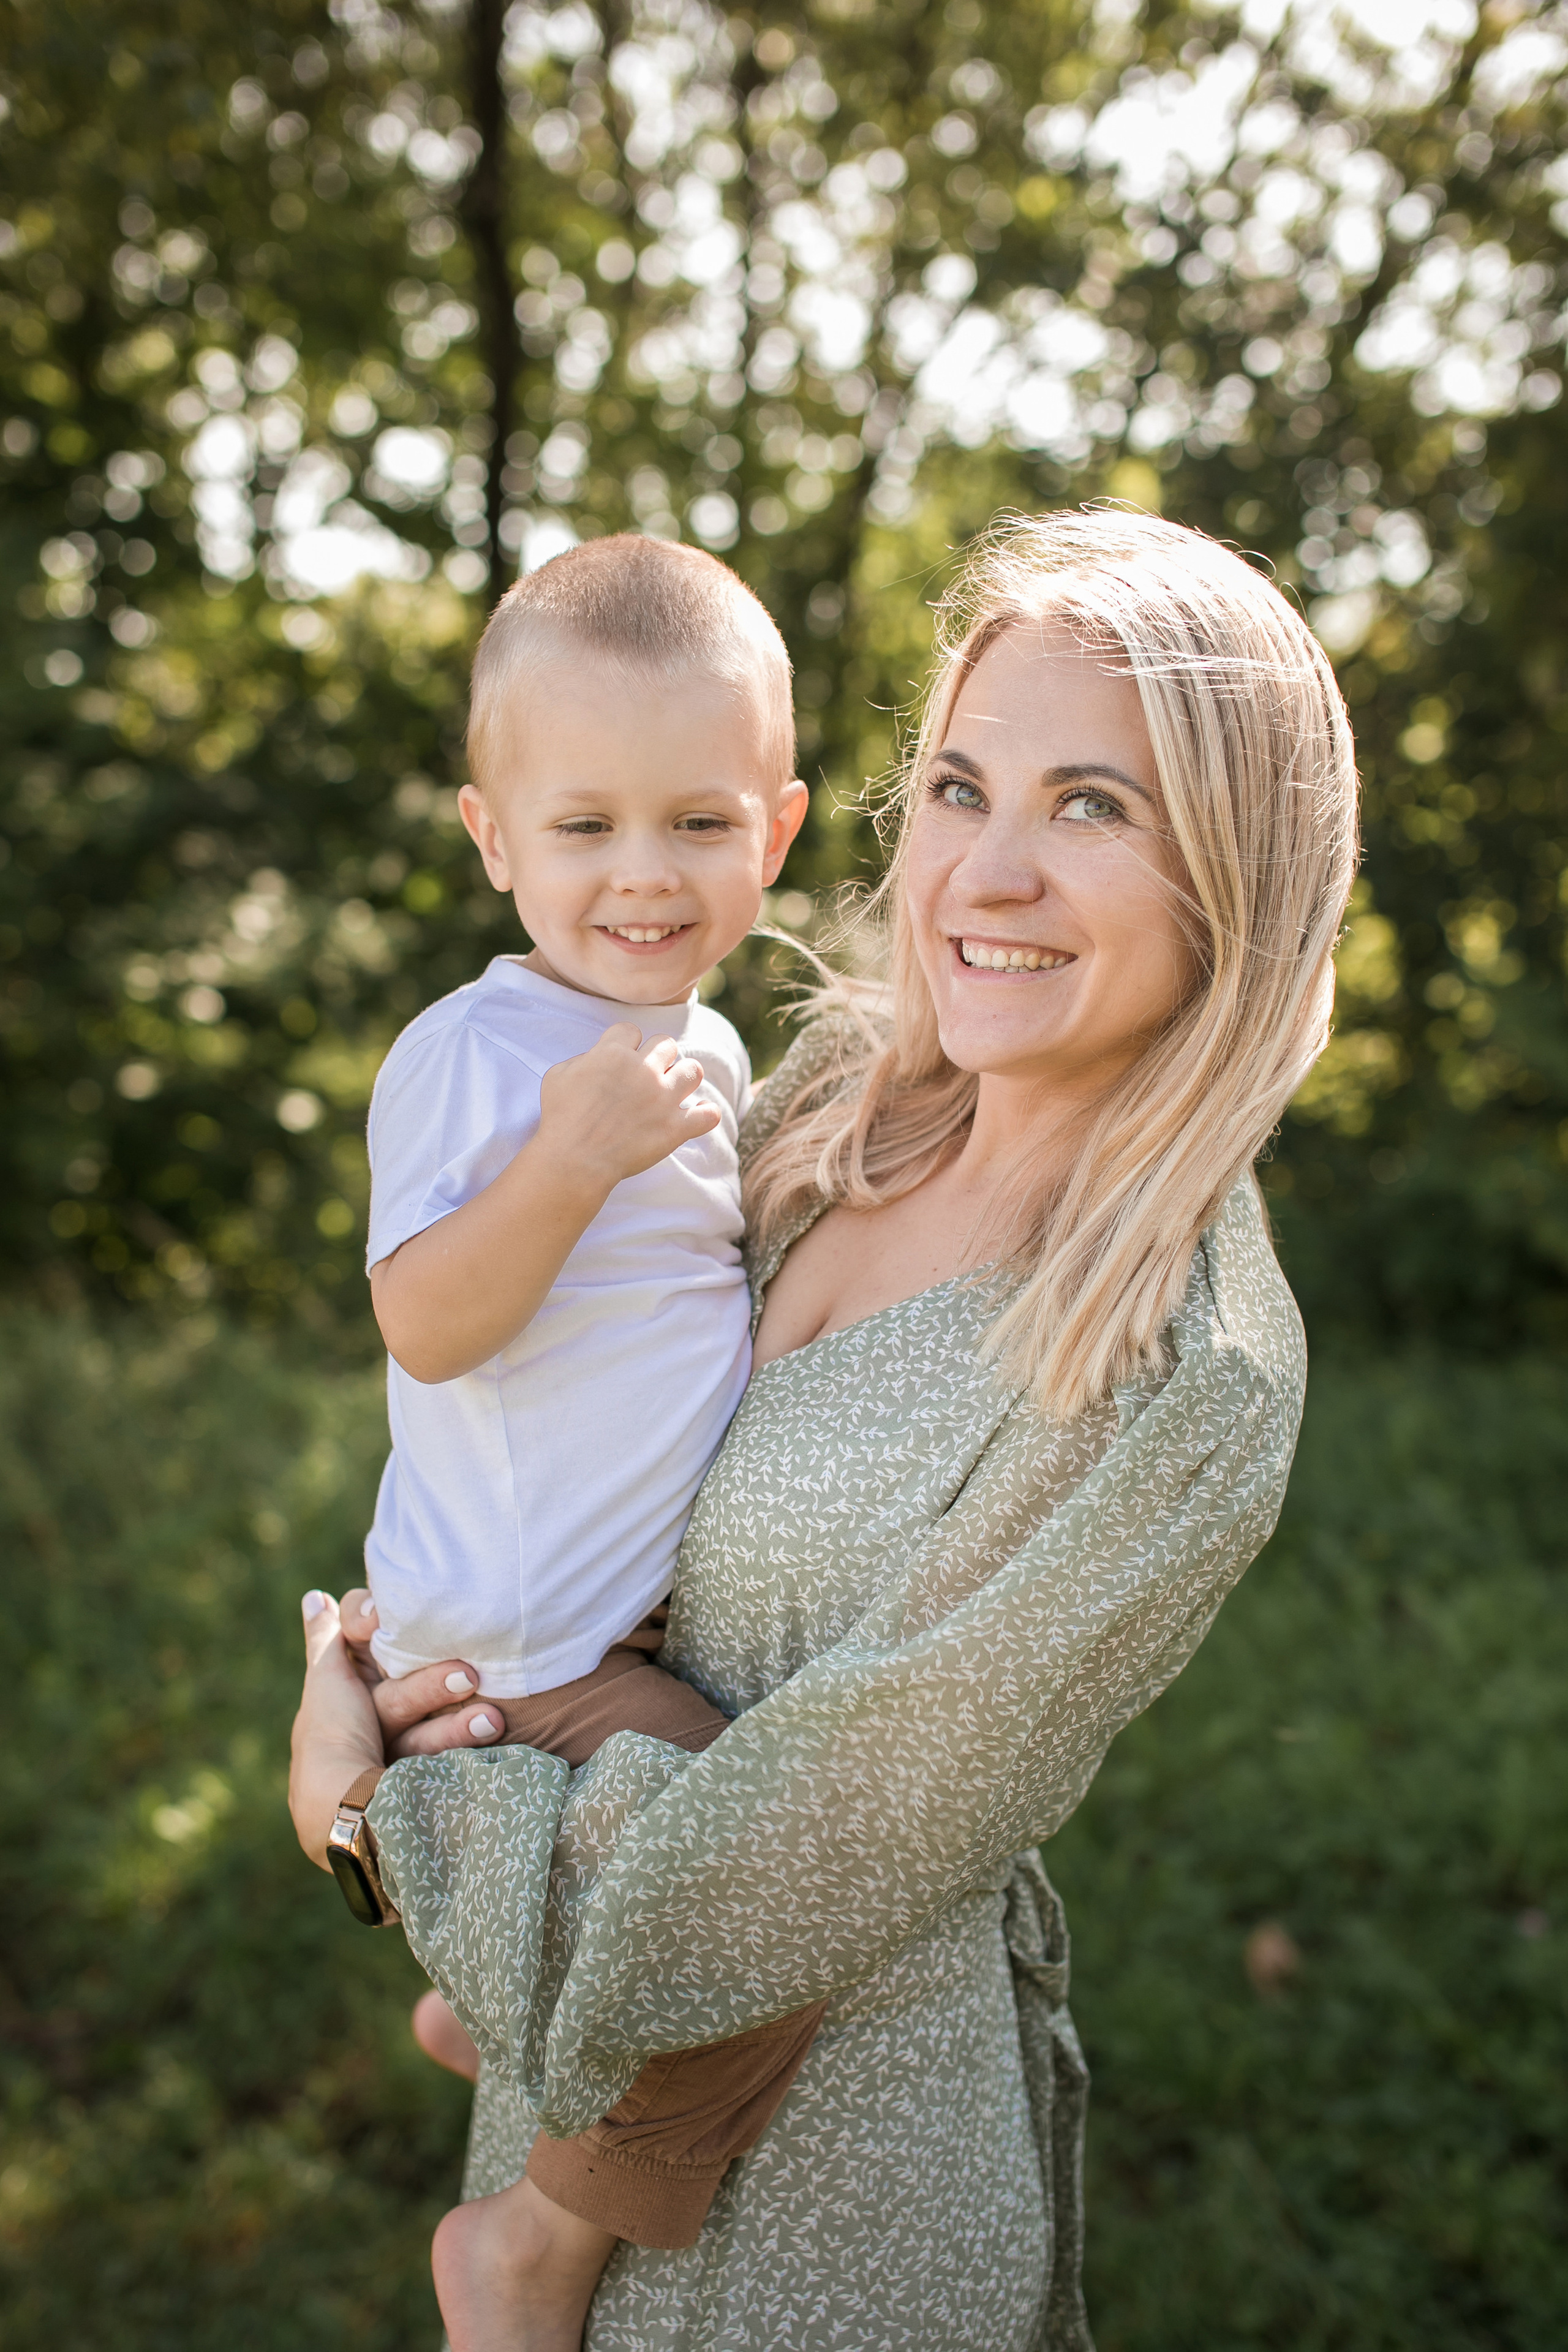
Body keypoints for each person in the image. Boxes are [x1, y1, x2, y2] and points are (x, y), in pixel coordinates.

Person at [291, 505, 1359, 2352]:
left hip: (822, 2206)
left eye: (1092, 807)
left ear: (1236, 870)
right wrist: (392, 1674)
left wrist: (400, 1827)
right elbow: (560, 1409)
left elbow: (823, 1832)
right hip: (579, 2040)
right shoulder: (831, 1106)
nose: (987, 874)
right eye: (962, 785)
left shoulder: (1186, 1361)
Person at [327, 531, 812, 2351]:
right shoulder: (476, 1054)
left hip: (617, 1626)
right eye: (585, 826)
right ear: (491, 838)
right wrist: (568, 1159)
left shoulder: (705, 1046)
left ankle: (497, 1992)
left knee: (724, 1867)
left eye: (698, 825)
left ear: (773, 832)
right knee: (772, 1884)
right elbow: (428, 1320)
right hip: (519, 1659)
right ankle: (531, 2237)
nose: (642, 875)